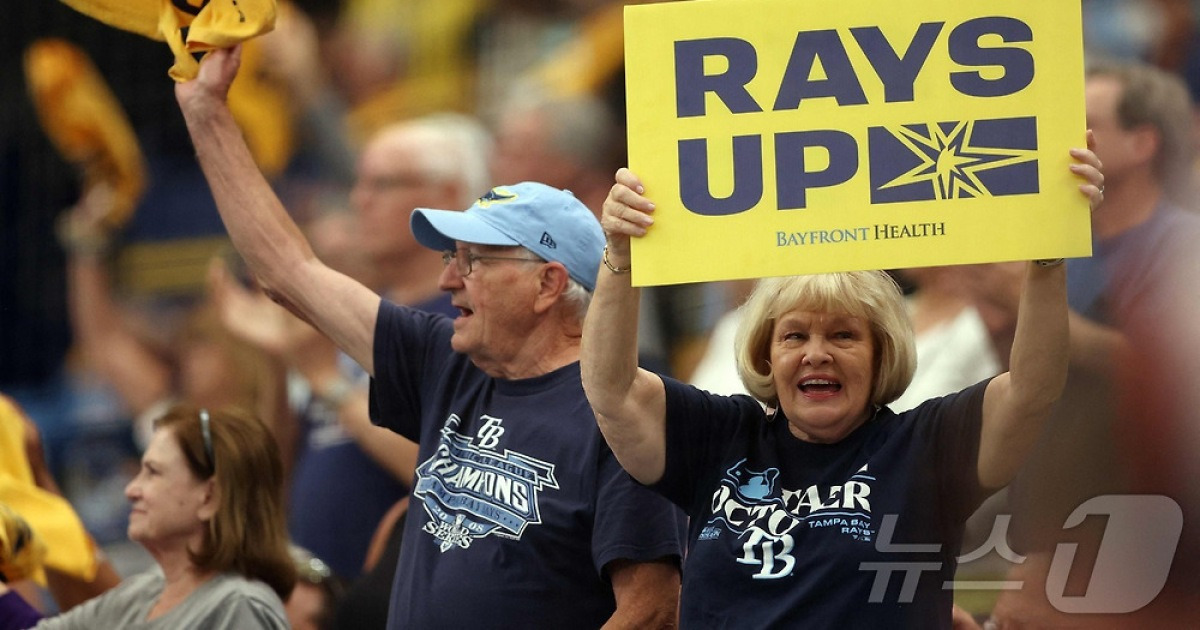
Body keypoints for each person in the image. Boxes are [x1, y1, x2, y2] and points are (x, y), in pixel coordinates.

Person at [175, 45, 685, 628]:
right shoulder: (445, 363)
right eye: (450, 257)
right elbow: (288, 271)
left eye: (473, 262)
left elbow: (651, 611)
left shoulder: (622, 413)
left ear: (548, 284)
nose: (447, 280)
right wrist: (207, 114)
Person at [580, 147, 1103, 627]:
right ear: (767, 353)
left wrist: (1047, 255)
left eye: (844, 335)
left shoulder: (926, 445)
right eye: (794, 336)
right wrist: (621, 254)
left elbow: (1033, 390)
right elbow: (612, 389)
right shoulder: (723, 435)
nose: (816, 352)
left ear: (881, 357)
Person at [981, 60, 1200, 628]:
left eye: (1087, 122)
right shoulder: (1065, 245)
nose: (1069, 137)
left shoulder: (1183, 245)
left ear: (1143, 142)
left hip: (1140, 526)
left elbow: (1157, 373)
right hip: (1051, 518)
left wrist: (1027, 297)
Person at [0, 404, 294, 628]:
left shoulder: (240, 605)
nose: (131, 489)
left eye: (153, 472)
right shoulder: (143, 593)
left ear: (210, 497)